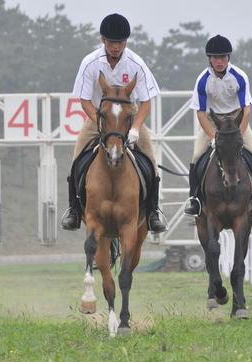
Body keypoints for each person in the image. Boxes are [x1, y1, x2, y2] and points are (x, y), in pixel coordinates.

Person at [60, 13, 167, 233]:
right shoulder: (90, 62)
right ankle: (73, 209)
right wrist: (99, 123)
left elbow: (146, 102)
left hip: (129, 120)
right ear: (103, 40)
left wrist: (136, 128)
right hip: (99, 119)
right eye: (111, 42)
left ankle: (154, 211)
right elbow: (85, 100)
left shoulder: (136, 64)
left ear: (126, 42)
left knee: (151, 161)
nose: (116, 47)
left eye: (120, 42)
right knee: (77, 158)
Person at [184, 34, 252, 216]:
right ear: (209, 59)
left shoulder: (239, 76)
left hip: (236, 120)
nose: (219, 61)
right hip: (212, 121)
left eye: (223, 57)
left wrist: (238, 135)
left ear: (228, 58)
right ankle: (195, 199)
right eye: (215, 58)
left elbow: (246, 110)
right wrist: (212, 137)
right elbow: (200, 113)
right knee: (196, 156)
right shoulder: (202, 80)